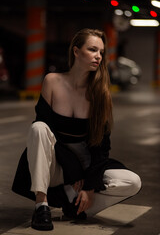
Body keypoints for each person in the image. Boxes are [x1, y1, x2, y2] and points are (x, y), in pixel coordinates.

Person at [12, 28, 141, 231]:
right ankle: (41, 205)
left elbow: (101, 146)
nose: (98, 56)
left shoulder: (100, 92)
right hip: (55, 163)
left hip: (86, 163)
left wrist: (90, 187)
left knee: (132, 182)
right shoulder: (52, 81)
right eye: (92, 49)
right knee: (38, 128)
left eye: (101, 52)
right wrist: (71, 169)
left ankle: (76, 206)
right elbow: (47, 132)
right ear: (76, 51)